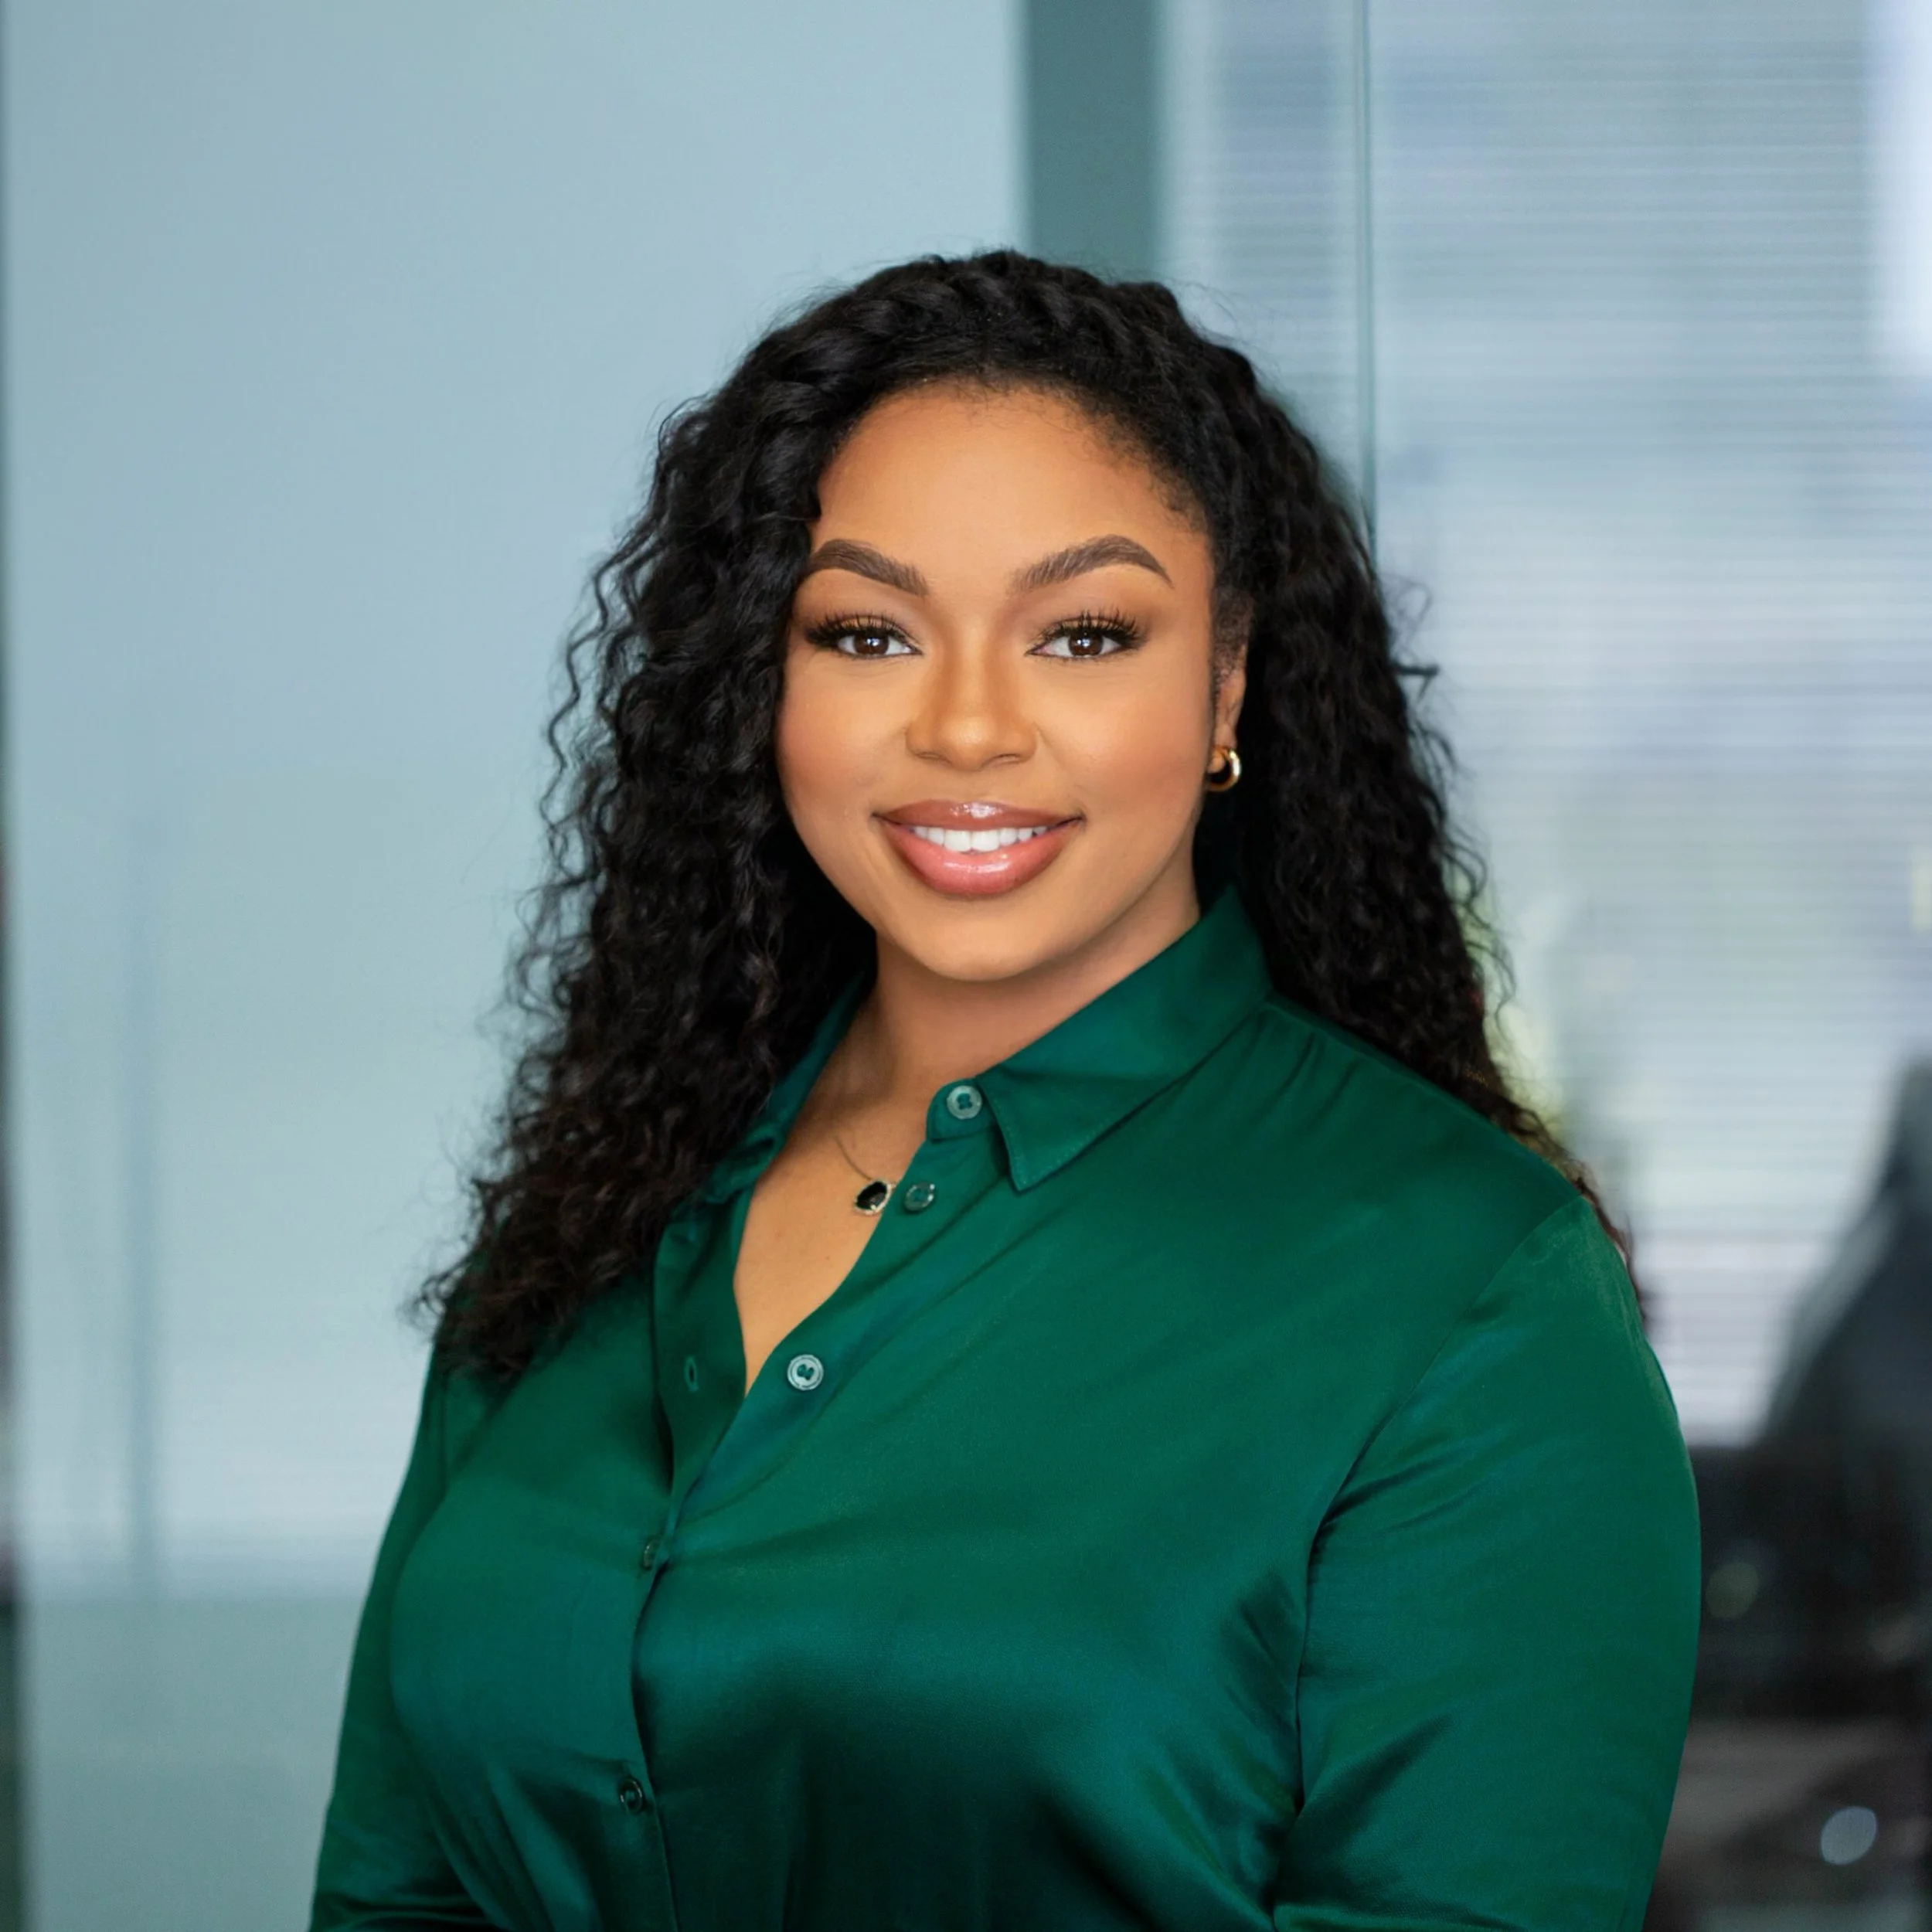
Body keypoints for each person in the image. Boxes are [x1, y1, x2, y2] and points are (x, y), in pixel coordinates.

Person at [310, 251, 1699, 1932]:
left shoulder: (1467, 1293)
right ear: (769, 684)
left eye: (1083, 632)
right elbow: (398, 1888)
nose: (967, 727)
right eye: (866, 630)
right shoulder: (604, 1216)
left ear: (1228, 685)